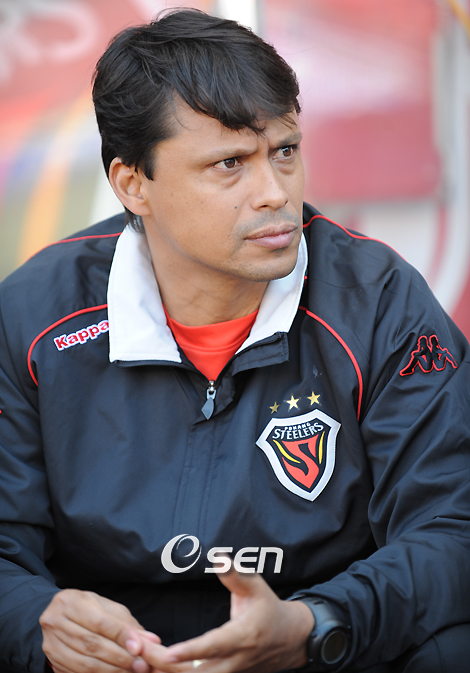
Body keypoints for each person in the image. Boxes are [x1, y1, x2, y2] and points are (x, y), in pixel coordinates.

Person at [0, 8, 469, 673]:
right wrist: (37, 619)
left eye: (285, 152)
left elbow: (451, 528)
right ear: (133, 184)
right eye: (229, 163)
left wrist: (318, 624)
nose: (274, 192)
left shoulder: (380, 303)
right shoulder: (35, 314)